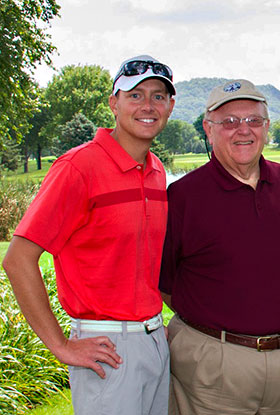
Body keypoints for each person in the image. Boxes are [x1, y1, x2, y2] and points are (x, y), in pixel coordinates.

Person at [2, 55, 175, 415]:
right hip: (106, 345)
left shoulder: (156, 171)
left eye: (158, 96)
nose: (148, 106)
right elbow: (18, 260)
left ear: (171, 106)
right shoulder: (78, 167)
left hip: (155, 337)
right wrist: (61, 346)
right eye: (135, 95)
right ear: (114, 103)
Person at [159, 79, 280, 415]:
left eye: (253, 120)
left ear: (267, 127)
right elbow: (165, 284)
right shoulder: (184, 196)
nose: (242, 130)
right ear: (208, 129)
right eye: (229, 121)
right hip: (216, 367)